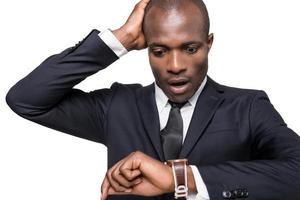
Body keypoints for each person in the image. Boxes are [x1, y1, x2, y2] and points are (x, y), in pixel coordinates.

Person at [5, 0, 300, 199]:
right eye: (159, 51)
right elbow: (26, 99)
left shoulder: (247, 107)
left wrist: (180, 178)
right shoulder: (118, 105)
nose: (174, 65)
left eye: (190, 49)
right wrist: (120, 39)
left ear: (209, 44)